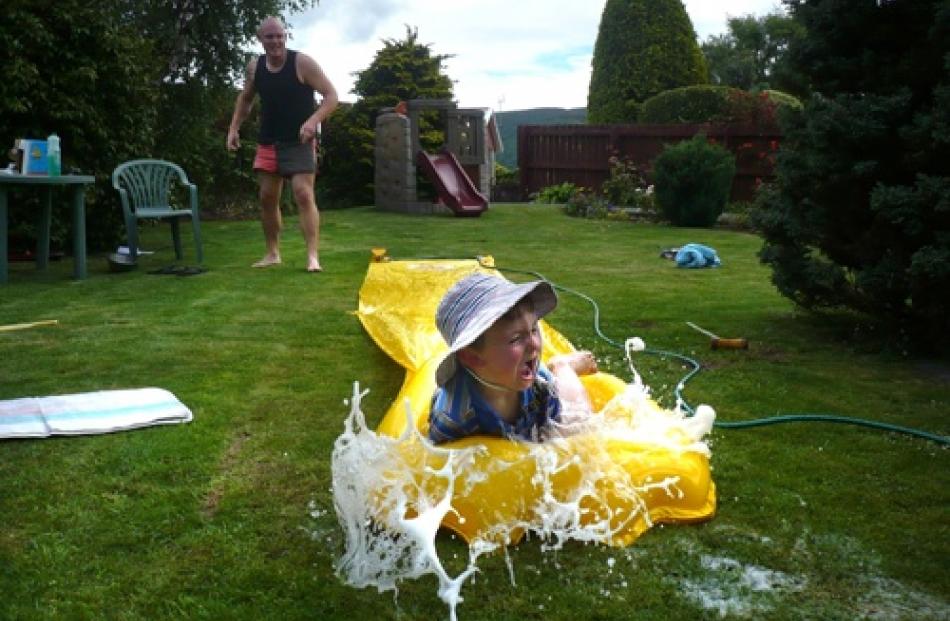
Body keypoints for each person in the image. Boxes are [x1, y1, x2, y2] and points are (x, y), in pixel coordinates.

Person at [427, 272, 599, 444]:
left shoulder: (541, 385)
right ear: (472, 357)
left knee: (580, 427)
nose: (534, 345)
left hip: (533, 387)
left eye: (533, 329)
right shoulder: (452, 416)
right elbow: (434, 460)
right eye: (516, 339)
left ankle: (562, 366)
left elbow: (562, 443)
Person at [227, 16, 338, 272]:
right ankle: (272, 253)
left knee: (303, 193)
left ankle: (312, 257)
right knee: (267, 198)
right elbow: (245, 99)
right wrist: (234, 128)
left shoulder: (302, 63)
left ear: (285, 36)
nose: (275, 41)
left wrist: (313, 122)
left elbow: (331, 96)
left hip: (299, 140)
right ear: (260, 39)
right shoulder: (256, 68)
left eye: (279, 36)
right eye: (269, 37)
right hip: (268, 141)